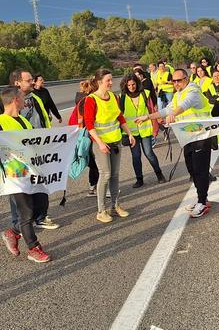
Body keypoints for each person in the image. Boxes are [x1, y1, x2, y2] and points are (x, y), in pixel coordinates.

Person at [0, 87, 51, 263]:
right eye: (23, 98)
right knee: (26, 211)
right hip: (14, 175)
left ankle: (13, 232)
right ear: (15, 99)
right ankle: (33, 248)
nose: (26, 101)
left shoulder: (23, 120)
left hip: (30, 171)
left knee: (41, 205)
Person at [0, 69, 58, 230]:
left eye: (33, 79)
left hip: (35, 153)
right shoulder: (1, 103)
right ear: (17, 83)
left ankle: (39, 218)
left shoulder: (35, 98)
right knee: (19, 196)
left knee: (39, 189)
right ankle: (18, 227)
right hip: (15, 162)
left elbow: (43, 121)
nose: (33, 82)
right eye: (28, 80)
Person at [148, 69, 215, 218]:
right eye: (174, 81)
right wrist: (148, 117)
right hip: (188, 138)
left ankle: (202, 202)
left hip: (201, 137)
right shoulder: (178, 95)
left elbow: (185, 105)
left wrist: (172, 115)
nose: (176, 83)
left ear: (187, 78)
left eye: (179, 80)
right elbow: (167, 109)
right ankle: (202, 198)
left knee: (200, 170)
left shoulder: (193, 91)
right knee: (192, 170)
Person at [82, 69, 135, 223]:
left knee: (115, 175)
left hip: (116, 141)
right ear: (99, 82)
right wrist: (100, 143)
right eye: (108, 80)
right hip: (101, 144)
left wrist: (129, 134)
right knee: (105, 175)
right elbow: (90, 125)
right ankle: (101, 210)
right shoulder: (91, 100)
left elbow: (119, 117)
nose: (111, 83)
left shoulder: (113, 96)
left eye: (112, 80)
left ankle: (115, 206)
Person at [119, 74, 166, 187]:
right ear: (125, 85)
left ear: (137, 83)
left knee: (149, 153)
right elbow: (119, 115)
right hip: (131, 133)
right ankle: (139, 179)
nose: (131, 87)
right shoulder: (122, 97)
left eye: (133, 84)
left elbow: (152, 110)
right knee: (136, 156)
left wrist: (158, 123)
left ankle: (159, 174)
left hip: (145, 130)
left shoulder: (145, 93)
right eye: (129, 85)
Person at [71, 79, 100, 196]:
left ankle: (93, 186)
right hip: (92, 135)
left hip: (82, 135)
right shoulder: (90, 101)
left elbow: (73, 120)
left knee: (92, 162)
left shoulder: (80, 101)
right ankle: (100, 187)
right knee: (97, 162)